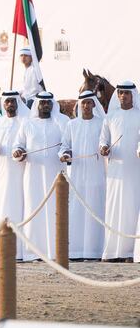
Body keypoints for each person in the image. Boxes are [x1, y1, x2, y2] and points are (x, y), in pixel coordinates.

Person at [13, 91, 67, 261]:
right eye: (42, 103)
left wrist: (65, 153)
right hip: (33, 174)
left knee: (55, 210)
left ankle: (55, 251)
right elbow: (18, 145)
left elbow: (66, 144)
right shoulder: (27, 123)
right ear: (37, 104)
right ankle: (32, 252)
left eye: (48, 103)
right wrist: (18, 152)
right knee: (33, 208)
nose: (45, 105)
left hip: (56, 174)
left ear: (52, 104)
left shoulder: (61, 122)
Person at [59, 90, 106, 260]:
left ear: (94, 104)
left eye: (89, 103)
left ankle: (95, 251)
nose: (86, 106)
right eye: (83, 103)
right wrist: (64, 154)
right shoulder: (72, 125)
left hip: (96, 176)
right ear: (79, 105)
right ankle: (76, 251)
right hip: (78, 176)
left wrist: (105, 149)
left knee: (95, 210)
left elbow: (105, 143)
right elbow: (64, 146)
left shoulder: (102, 123)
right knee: (77, 211)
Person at [99, 81, 140, 261]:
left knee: (132, 206)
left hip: (134, 168)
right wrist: (104, 148)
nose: (123, 96)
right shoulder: (110, 117)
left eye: (126, 93)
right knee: (114, 206)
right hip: (115, 169)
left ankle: (130, 252)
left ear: (133, 95)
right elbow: (103, 140)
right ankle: (112, 252)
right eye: (120, 93)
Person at [0, 90, 29, 260]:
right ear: (3, 104)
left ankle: (19, 252)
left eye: (13, 101)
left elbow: (27, 145)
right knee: (2, 206)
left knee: (20, 207)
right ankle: (2, 251)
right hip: (1, 172)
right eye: (7, 101)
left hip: (19, 172)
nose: (10, 104)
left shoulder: (25, 122)